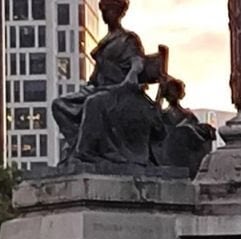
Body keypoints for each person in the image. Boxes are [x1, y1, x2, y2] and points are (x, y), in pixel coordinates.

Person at [51, 0, 165, 166]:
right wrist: (89, 85)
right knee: (59, 104)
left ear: (120, 13)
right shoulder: (104, 42)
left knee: (93, 103)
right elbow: (96, 75)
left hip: (121, 90)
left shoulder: (128, 38)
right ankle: (78, 144)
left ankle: (86, 151)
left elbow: (137, 61)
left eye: (110, 10)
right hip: (99, 88)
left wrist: (132, 75)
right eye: (104, 10)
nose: (106, 13)